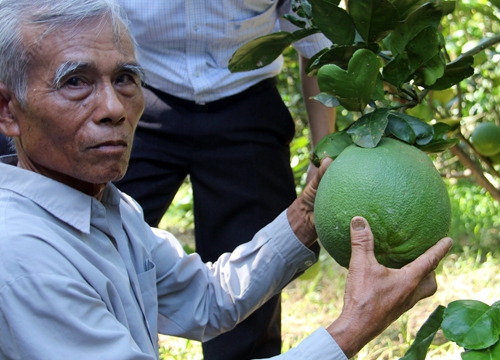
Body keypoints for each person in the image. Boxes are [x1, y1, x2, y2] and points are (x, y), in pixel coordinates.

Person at [0, 1, 453, 359]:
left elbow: (206, 298)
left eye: (125, 78)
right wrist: (351, 329)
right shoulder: (23, 257)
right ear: (7, 110)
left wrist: (303, 217)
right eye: (75, 82)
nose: (114, 108)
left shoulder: (110, 210)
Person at [113, 2, 336, 357]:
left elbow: (315, 37)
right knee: (99, 245)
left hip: (246, 99)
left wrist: (323, 148)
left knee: (252, 288)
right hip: (141, 94)